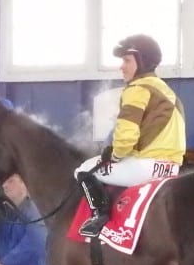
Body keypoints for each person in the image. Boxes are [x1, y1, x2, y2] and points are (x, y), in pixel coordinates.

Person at [74, 34, 186, 238]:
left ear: (142, 62)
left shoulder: (137, 89)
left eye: (127, 60)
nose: (121, 67)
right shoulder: (168, 92)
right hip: (172, 168)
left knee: (84, 170)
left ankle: (99, 217)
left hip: (145, 167)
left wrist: (115, 155)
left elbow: (126, 137)